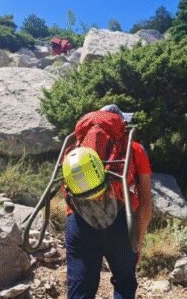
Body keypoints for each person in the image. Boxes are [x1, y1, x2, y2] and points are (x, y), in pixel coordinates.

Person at [64, 104, 153, 298]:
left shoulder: (74, 150)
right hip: (120, 222)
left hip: (79, 222)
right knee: (124, 283)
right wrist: (137, 240)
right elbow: (146, 204)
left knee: (80, 289)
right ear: (120, 124)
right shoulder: (134, 149)